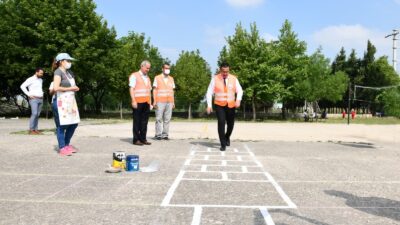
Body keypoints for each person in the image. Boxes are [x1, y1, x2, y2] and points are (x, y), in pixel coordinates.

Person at [206, 62, 243, 151]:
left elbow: (240, 90)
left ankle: (227, 137)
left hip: (231, 105)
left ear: (229, 70)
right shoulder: (215, 79)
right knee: (221, 123)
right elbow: (209, 92)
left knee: (231, 124)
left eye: (227, 71)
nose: (225, 73)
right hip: (219, 105)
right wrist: (209, 105)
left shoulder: (234, 79)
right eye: (223, 71)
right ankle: (223, 144)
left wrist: (238, 100)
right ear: (220, 70)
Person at [52, 53, 80, 156]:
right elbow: (55, 88)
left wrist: (75, 87)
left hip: (70, 102)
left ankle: (67, 144)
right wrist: (71, 88)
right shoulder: (58, 72)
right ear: (61, 61)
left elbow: (72, 84)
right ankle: (62, 147)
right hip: (60, 102)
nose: (70, 63)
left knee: (74, 123)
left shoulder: (69, 72)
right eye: (68, 61)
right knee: (61, 125)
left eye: (70, 61)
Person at [129, 60, 153, 146]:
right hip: (138, 102)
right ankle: (136, 140)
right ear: (142, 66)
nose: (148, 70)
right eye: (147, 68)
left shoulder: (148, 78)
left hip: (146, 102)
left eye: (149, 68)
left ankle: (143, 139)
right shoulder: (134, 76)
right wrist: (133, 100)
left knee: (144, 122)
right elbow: (131, 88)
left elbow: (149, 91)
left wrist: (150, 103)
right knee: (137, 121)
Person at [153, 63, 175, 140]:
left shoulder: (171, 79)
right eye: (166, 68)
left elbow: (172, 91)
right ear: (162, 69)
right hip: (160, 101)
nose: (167, 70)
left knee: (167, 119)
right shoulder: (157, 77)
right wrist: (154, 101)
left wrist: (173, 102)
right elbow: (154, 90)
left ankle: (165, 134)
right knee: (158, 118)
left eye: (169, 68)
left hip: (169, 101)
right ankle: (158, 134)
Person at [20, 68, 44, 134]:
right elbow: (22, 86)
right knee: (34, 113)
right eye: (40, 73)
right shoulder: (30, 79)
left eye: (42, 73)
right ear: (36, 72)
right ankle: (31, 129)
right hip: (33, 99)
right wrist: (28, 94)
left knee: (38, 114)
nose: (42, 74)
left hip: (40, 98)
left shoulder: (40, 80)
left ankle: (36, 129)